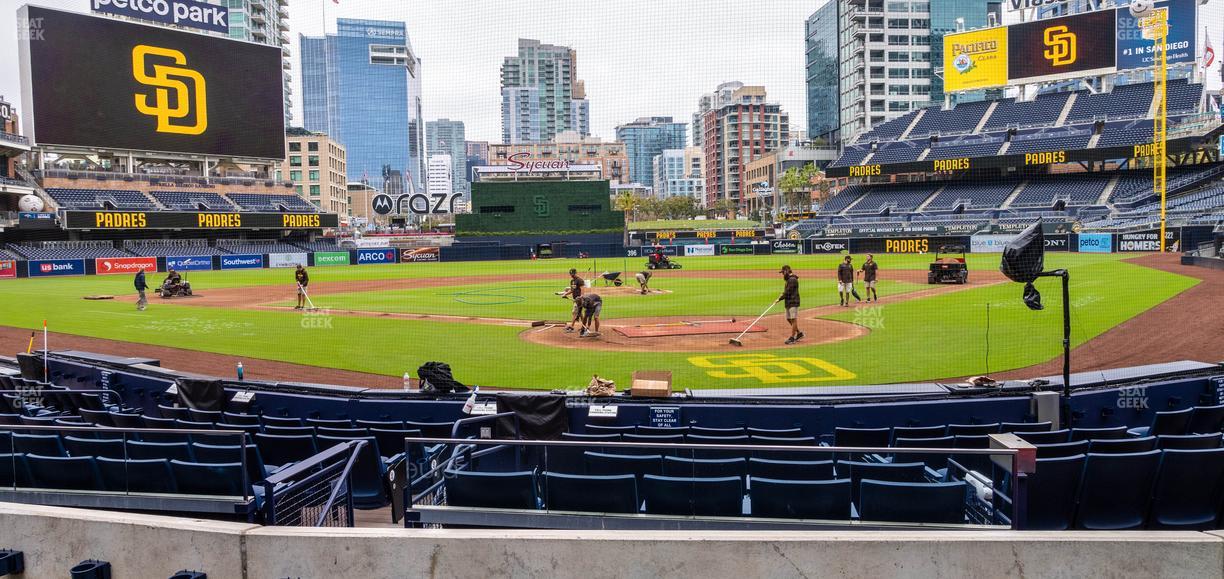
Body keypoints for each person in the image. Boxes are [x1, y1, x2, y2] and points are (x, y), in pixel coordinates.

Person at [778, 265, 803, 344]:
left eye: (783, 272)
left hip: (793, 302)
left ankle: (792, 338)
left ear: (786, 271)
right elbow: (787, 291)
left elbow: (788, 291)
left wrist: (780, 298)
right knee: (788, 319)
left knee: (793, 319)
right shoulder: (789, 279)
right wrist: (782, 295)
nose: (782, 274)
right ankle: (799, 333)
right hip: (789, 302)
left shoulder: (792, 280)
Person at [560, 268, 585, 333]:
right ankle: (584, 326)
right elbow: (572, 290)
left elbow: (583, 289)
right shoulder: (572, 281)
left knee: (574, 312)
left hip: (579, 299)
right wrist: (565, 294)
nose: (571, 275)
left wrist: (581, 297)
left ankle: (572, 327)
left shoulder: (580, 280)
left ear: (576, 273)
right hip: (575, 299)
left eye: (573, 273)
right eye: (571, 274)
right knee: (580, 313)